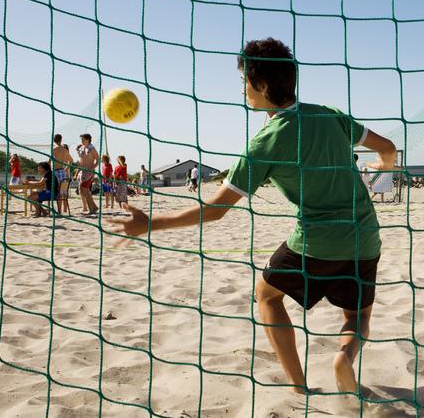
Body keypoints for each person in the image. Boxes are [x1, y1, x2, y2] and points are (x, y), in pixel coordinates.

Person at [112, 37, 397, 395]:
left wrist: (151, 224)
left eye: (245, 80)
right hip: (365, 237)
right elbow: (387, 148)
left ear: (261, 85)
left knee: (266, 294)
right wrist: (382, 168)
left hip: (314, 244)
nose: (243, 88)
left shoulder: (263, 143)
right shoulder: (331, 114)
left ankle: (298, 386)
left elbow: (215, 211)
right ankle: (344, 359)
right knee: (357, 317)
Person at [75, 133, 99, 215]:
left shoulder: (91, 148)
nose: (81, 141)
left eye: (83, 139)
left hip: (89, 172)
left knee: (83, 189)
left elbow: (98, 160)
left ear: (88, 140)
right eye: (81, 139)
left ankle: (92, 208)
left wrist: (92, 168)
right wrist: (76, 173)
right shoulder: (82, 148)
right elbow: (81, 162)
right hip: (83, 172)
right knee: (84, 190)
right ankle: (94, 207)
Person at [52, 134, 74, 216]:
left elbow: (49, 160)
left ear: (54, 140)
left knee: (57, 192)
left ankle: (59, 211)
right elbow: (71, 160)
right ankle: (62, 210)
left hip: (55, 172)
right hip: (62, 172)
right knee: (63, 192)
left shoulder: (54, 149)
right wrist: (66, 169)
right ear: (61, 140)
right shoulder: (65, 150)